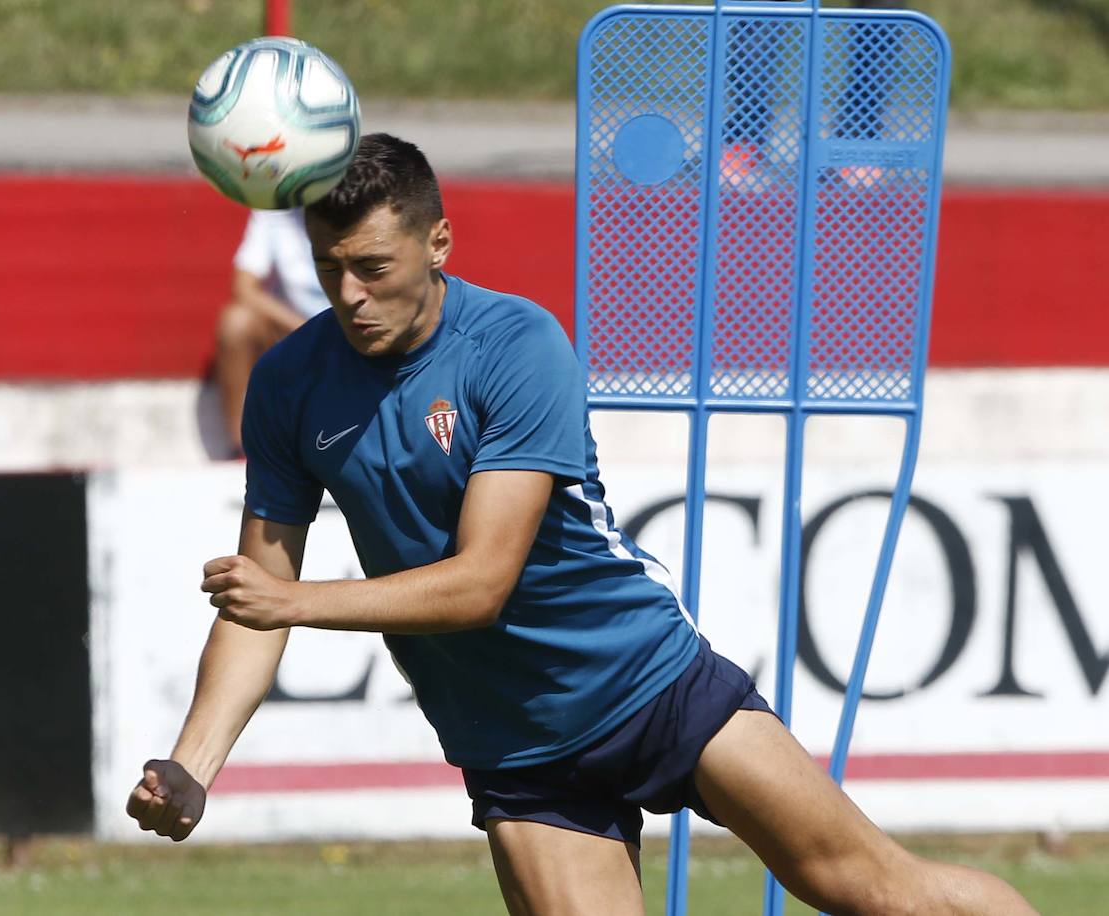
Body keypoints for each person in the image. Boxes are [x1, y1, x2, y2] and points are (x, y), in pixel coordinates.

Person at [128, 134, 1036, 916]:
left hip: (645, 680)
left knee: (880, 893)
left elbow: (482, 582)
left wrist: (293, 601)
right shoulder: (292, 381)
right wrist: (194, 763)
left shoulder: (518, 346)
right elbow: (257, 607)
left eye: (374, 267)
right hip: (513, 745)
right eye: (330, 270)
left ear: (438, 242)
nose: (351, 293)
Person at [215, 207, 331, 457]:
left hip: (355, 332)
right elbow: (243, 287)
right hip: (296, 337)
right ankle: (244, 452)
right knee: (237, 322)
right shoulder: (275, 213)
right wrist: (306, 329)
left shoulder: (363, 204)